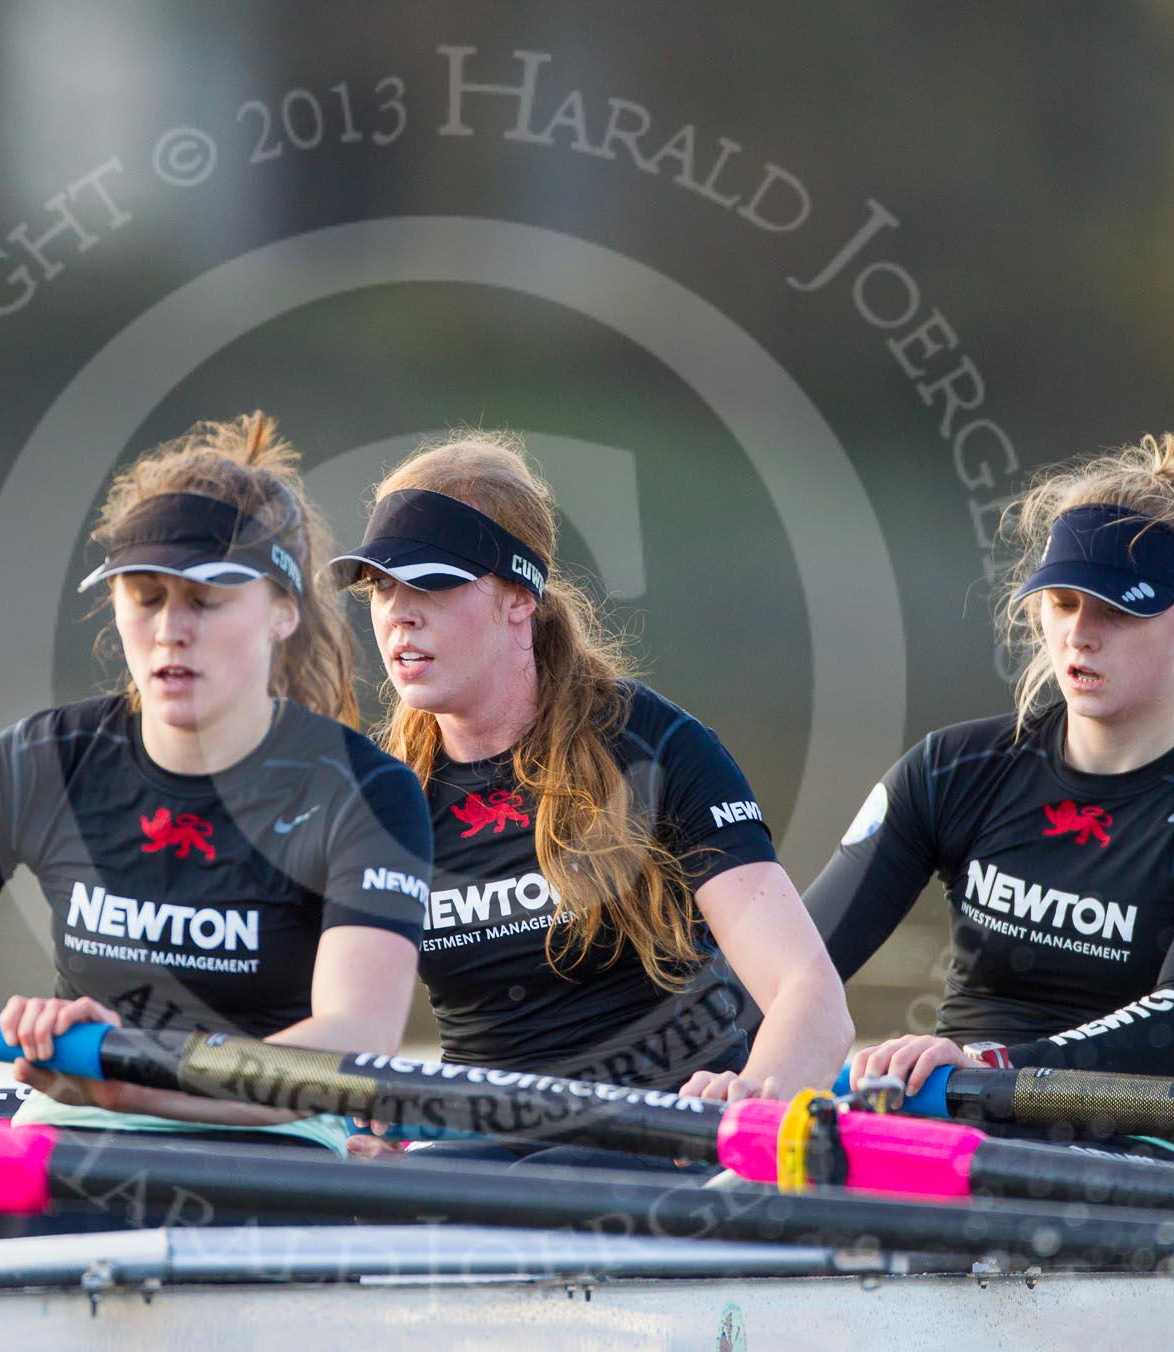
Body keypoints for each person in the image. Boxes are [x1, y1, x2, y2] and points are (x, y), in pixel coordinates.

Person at [0, 414, 431, 1172]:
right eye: (145, 597)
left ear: (283, 611)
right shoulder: (37, 763)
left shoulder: (364, 793)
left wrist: (138, 1079)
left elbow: (356, 1047)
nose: (169, 630)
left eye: (206, 599)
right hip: (68, 1130)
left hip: (276, 1152)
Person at [332, 431, 851, 1168]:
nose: (397, 615)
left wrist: (756, 1100)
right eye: (382, 585)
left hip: (665, 1144)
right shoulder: (382, 797)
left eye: (431, 584)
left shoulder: (654, 750)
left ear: (520, 596)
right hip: (478, 1153)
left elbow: (812, 997)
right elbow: (317, 1022)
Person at [809, 434, 1174, 1134]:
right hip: (942, 1118)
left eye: (1117, 609)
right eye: (1063, 602)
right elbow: (798, 968)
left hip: (1136, 1142)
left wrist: (989, 1061)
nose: (1080, 635)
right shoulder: (953, 769)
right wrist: (727, 1065)